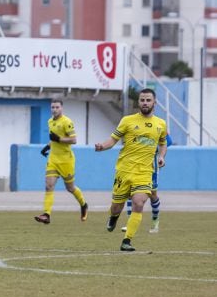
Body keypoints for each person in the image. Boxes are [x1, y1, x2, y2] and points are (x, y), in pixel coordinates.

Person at [94, 88, 167, 252]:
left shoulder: (161, 124)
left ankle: (127, 241)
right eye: (142, 100)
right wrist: (101, 146)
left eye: (148, 100)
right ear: (138, 102)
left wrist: (162, 156)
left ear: (154, 102)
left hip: (144, 172)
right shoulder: (127, 120)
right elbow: (112, 140)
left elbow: (163, 143)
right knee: (116, 207)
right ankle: (113, 217)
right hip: (124, 170)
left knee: (139, 202)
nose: (145, 103)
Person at [33, 99, 88, 224]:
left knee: (70, 188)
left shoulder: (67, 122)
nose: (54, 109)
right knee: (48, 186)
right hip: (53, 159)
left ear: (61, 108)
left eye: (57, 107)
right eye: (52, 107)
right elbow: (53, 140)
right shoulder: (50, 121)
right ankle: (46, 214)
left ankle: (84, 204)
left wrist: (58, 139)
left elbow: (73, 140)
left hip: (66, 160)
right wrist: (47, 147)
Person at [121, 133, 172, 234]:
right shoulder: (135, 124)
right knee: (131, 193)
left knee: (152, 194)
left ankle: (155, 221)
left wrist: (160, 155)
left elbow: (167, 142)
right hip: (135, 166)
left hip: (151, 167)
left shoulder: (158, 124)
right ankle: (129, 223)